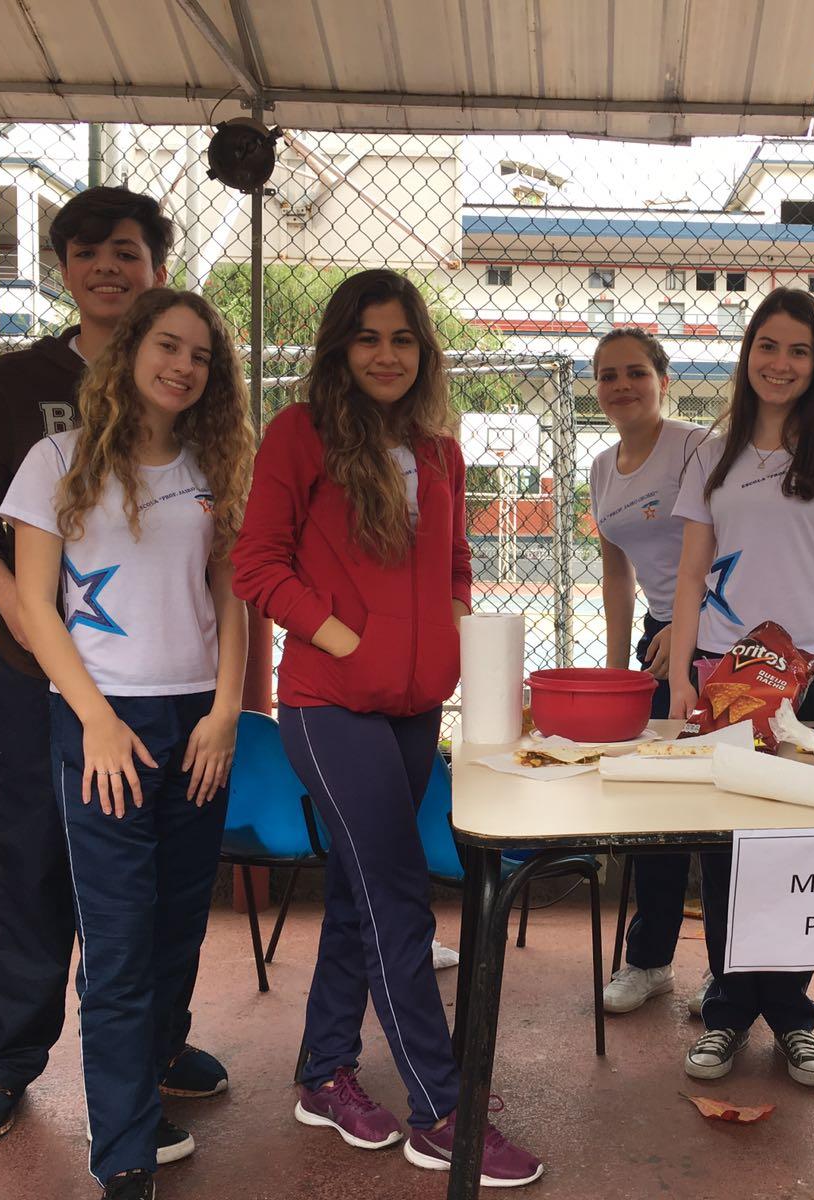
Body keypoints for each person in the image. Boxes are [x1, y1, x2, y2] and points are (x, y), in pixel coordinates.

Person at [231, 269, 542, 1188]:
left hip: (413, 710)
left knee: (359, 895)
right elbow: (257, 561)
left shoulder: (436, 449)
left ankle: (324, 1072)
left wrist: (451, 636)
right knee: (400, 895)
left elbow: (455, 560)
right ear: (340, 347)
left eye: (403, 339)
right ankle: (442, 1110)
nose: (386, 355)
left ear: (423, 350)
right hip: (329, 707)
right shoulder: (300, 435)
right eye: (368, 338)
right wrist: (342, 637)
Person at [0, 186, 229, 1144]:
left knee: (167, 897)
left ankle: (152, 1049)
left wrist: (228, 703)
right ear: (65, 266)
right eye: (89, 250)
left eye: (130, 251)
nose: (109, 265)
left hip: (169, 691)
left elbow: (228, 585)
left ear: (154, 276)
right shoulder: (17, 387)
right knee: (37, 873)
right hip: (49, 682)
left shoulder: (205, 440)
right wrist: (20, 623)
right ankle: (11, 1055)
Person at [0, 289, 253, 1199]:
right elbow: (37, 605)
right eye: (167, 345)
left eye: (200, 355)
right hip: (102, 721)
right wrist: (96, 718)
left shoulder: (212, 463)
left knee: (178, 922)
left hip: (197, 722)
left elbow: (233, 599)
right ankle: (124, 1153)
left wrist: (226, 711)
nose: (183, 365)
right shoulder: (55, 460)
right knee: (116, 939)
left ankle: (145, 1086)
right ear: (128, 351)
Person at [668, 286, 814, 1088]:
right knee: (727, 854)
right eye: (768, 346)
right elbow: (690, 575)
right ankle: (727, 1011)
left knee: (800, 855)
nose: (782, 364)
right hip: (728, 681)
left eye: (799, 350)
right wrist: (680, 681)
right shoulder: (712, 452)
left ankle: (793, 1017)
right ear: (747, 354)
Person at [589, 327, 712, 1017]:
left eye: (636, 372)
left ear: (664, 380)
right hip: (658, 639)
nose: (621, 386)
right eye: (608, 375)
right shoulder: (603, 466)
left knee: (721, 808)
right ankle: (649, 962)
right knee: (655, 805)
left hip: (721, 635)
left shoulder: (697, 447)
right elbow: (616, 573)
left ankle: (731, 973)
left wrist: (688, 632)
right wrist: (615, 670)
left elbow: (734, 542)